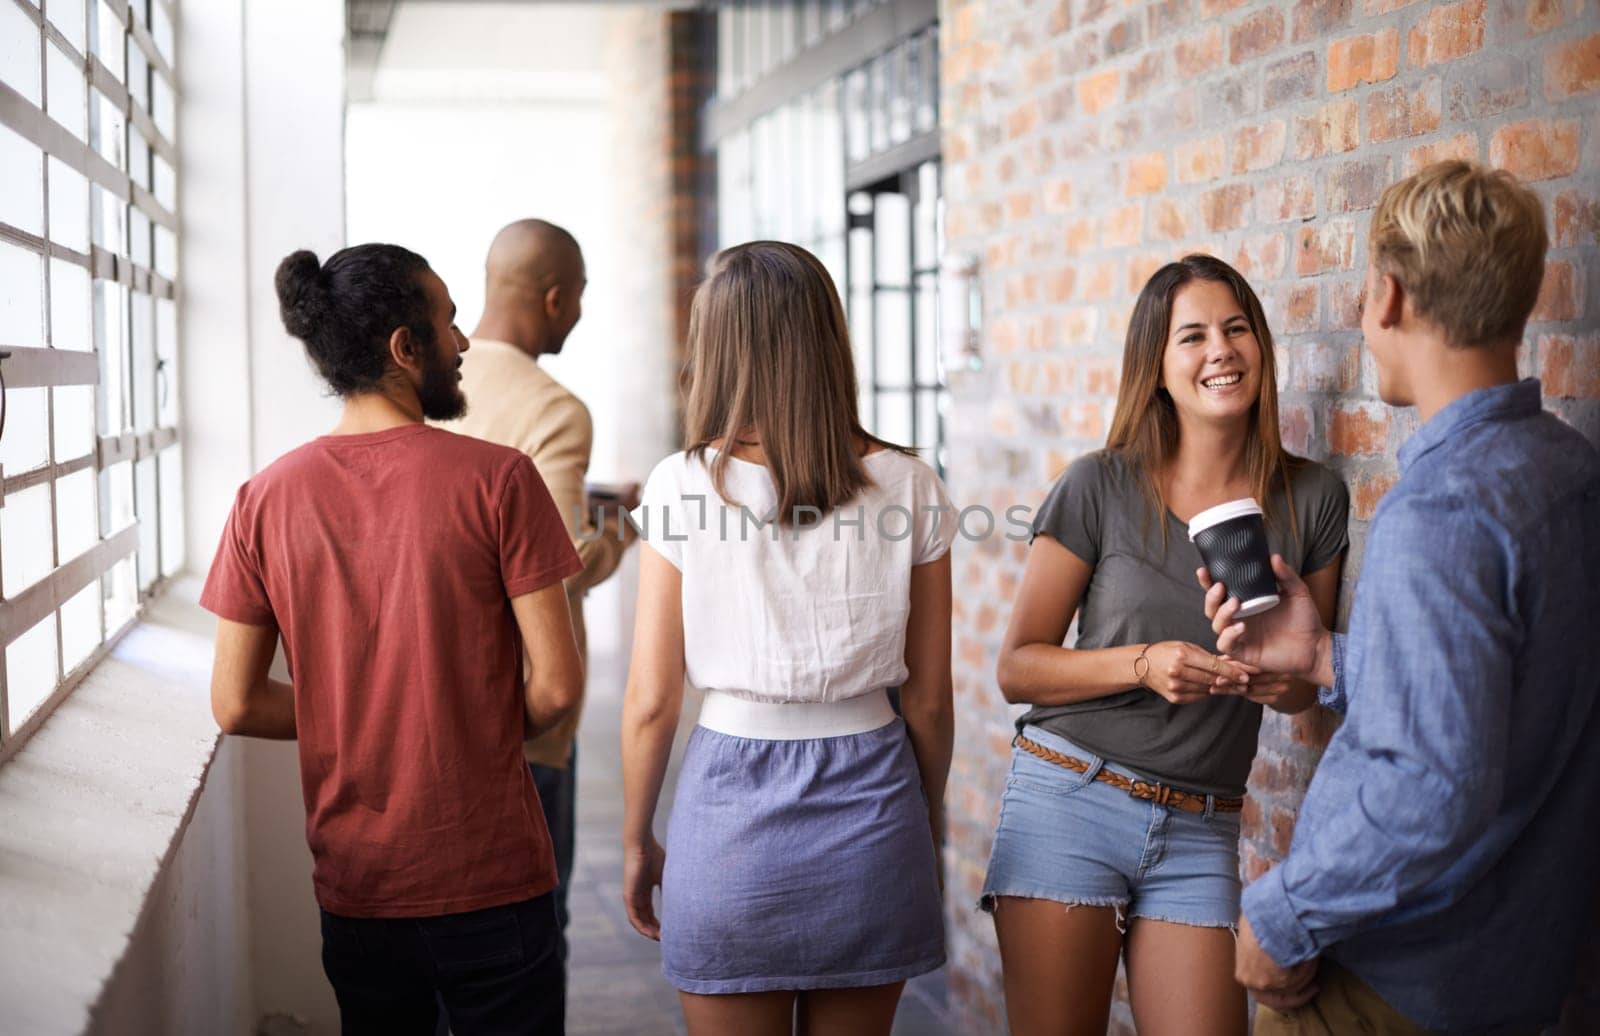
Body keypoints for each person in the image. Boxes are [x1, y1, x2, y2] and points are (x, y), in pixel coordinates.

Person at [1200, 161, 1600, 1034]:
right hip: (1507, 979)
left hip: (1387, 988)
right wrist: (1323, 657)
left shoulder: (1443, 508)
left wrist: (1280, 916)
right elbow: (1506, 697)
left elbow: (1434, 784)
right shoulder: (1572, 475)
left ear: (1386, 297)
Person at [202, 244, 584, 1035]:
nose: (465, 342)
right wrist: (454, 727)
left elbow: (235, 703)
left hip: (358, 887)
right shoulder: (500, 480)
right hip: (493, 880)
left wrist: (363, 718)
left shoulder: (263, 500)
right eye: (447, 322)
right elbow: (555, 687)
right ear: (405, 349)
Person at [985, 254, 1350, 1035]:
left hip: (1201, 824)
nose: (1220, 350)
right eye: (1192, 337)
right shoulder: (1099, 485)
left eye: (1236, 328)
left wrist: (1268, 675)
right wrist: (1144, 665)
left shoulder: (1314, 498)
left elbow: (1304, 692)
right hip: (1070, 799)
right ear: (1156, 367)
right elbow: (1017, 666)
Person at [619, 241, 953, 1036]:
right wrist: (921, 822)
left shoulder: (682, 484)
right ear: (828, 340)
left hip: (728, 813)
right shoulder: (910, 482)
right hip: (874, 800)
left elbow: (650, 700)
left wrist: (637, 841)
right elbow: (931, 704)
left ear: (719, 349)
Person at [445, 219, 637, 963]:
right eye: (580, 298)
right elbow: (553, 567)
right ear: (556, 299)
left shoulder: (427, 383)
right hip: (526, 716)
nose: (581, 315)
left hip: (435, 697)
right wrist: (620, 527)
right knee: (526, 943)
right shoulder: (553, 408)